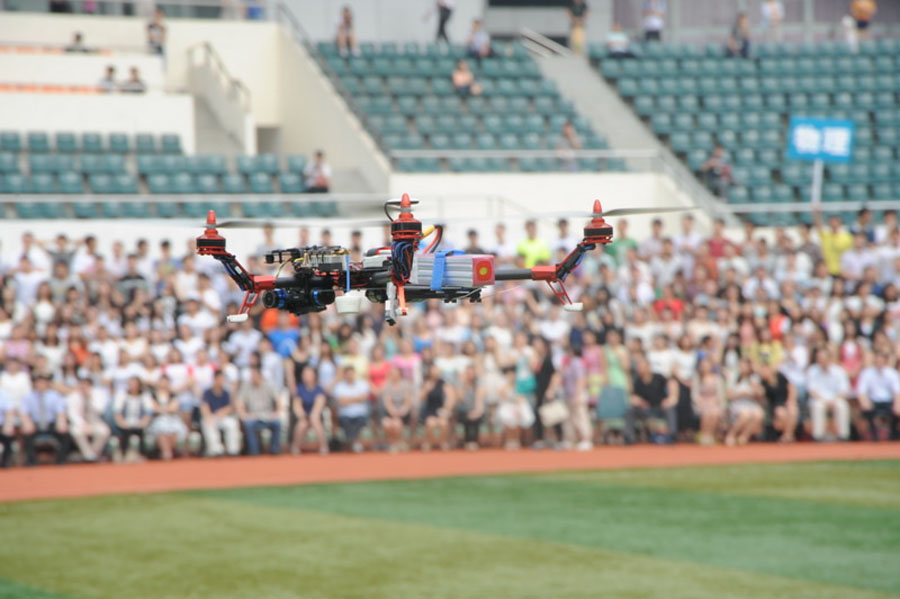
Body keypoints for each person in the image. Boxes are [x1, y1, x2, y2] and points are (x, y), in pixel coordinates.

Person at [626, 354, 678, 444]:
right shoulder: (637, 380)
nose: (640, 369)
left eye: (642, 366)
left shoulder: (659, 377)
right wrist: (639, 401)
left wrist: (670, 398)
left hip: (660, 408)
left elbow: (672, 383)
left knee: (670, 409)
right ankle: (629, 437)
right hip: (644, 409)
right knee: (630, 410)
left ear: (648, 367)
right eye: (639, 367)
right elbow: (632, 396)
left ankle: (672, 436)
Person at [806, 347, 850, 442]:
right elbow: (811, 391)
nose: (821, 361)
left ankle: (843, 436)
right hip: (819, 399)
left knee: (842, 405)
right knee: (818, 406)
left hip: (836, 399)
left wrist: (834, 400)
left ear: (829, 359)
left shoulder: (839, 371)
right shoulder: (812, 370)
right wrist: (824, 401)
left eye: (823, 359)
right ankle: (818, 436)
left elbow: (844, 390)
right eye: (819, 359)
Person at [236, 365, 283, 455]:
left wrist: (277, 413)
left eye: (254, 375)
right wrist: (243, 414)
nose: (252, 378)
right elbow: (239, 402)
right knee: (248, 424)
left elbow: (278, 400)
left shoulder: (269, 385)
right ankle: (254, 451)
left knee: (277, 423)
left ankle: (275, 449)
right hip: (252, 416)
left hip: (267, 415)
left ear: (260, 375)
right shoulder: (246, 386)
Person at [856, 352, 900, 441]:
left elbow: (897, 391)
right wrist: (865, 403)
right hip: (873, 401)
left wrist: (897, 405)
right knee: (867, 410)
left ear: (886, 361)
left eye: (881, 361)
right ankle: (874, 436)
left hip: (888, 402)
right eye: (877, 361)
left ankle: (893, 434)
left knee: (897, 410)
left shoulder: (892, 373)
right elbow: (861, 391)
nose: (879, 363)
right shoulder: (867, 373)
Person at [67, 377, 110, 462]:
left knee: (104, 431)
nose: (84, 387)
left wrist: (90, 398)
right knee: (76, 432)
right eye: (82, 385)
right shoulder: (74, 396)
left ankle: (91, 454)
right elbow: (72, 413)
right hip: (80, 424)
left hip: (95, 422)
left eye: (86, 385)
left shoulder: (97, 394)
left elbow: (100, 410)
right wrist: (82, 424)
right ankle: (89, 456)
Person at [724, 358, 765, 446]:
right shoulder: (733, 377)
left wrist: (755, 388)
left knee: (759, 414)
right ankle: (731, 435)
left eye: (745, 365)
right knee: (745, 414)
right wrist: (742, 395)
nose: (742, 367)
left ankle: (744, 436)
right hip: (737, 404)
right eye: (741, 365)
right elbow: (728, 395)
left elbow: (761, 394)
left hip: (751, 403)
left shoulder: (754, 379)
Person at [201, 371, 241, 456]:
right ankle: (215, 450)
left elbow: (230, 407)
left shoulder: (226, 393)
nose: (222, 381)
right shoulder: (207, 392)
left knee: (232, 424)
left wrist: (222, 412)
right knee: (208, 424)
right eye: (220, 379)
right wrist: (209, 417)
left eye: (223, 379)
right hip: (211, 416)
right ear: (215, 379)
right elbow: (204, 406)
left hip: (223, 417)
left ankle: (232, 450)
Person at [113, 376, 153, 462]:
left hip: (140, 423)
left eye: (135, 384)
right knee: (125, 433)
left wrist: (142, 423)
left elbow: (148, 413)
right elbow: (117, 412)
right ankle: (123, 454)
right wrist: (122, 423)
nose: (133, 386)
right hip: (125, 423)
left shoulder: (145, 396)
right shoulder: (122, 395)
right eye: (131, 384)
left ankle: (142, 454)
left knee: (142, 432)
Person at [147, 376, 187, 460]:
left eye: (165, 382)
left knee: (174, 429)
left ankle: (171, 450)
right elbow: (153, 408)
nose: (163, 384)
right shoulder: (152, 395)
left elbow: (174, 408)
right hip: (157, 419)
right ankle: (166, 451)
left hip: (172, 419)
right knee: (161, 428)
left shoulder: (173, 395)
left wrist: (161, 409)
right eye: (161, 382)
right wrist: (166, 409)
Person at [292, 365, 329, 455]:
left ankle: (324, 447)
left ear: (314, 376)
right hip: (304, 416)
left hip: (315, 416)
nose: (306, 376)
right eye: (304, 374)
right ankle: (295, 447)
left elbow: (319, 403)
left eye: (308, 374)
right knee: (302, 424)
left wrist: (313, 415)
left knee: (315, 421)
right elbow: (297, 404)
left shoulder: (319, 389)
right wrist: (302, 415)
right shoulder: (300, 389)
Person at [757, 362, 798, 443]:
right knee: (781, 413)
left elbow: (791, 388)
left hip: (786, 403)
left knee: (793, 411)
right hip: (774, 406)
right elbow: (762, 396)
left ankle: (787, 435)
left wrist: (790, 401)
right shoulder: (763, 383)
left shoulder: (780, 377)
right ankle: (788, 435)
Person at [496, 366, 535, 450]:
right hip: (506, 405)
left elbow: (521, 399)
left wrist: (519, 409)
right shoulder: (503, 385)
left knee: (520, 416)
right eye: (510, 375)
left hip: (518, 405)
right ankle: (509, 439)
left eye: (513, 375)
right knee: (506, 417)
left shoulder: (519, 385)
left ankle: (518, 439)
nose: (512, 377)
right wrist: (508, 384)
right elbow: (501, 395)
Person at [333, 365, 369, 452]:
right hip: (345, 414)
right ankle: (354, 442)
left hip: (360, 414)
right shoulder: (339, 386)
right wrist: (356, 398)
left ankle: (353, 442)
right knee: (345, 422)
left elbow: (363, 398)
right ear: (344, 375)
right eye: (348, 374)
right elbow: (342, 401)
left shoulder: (362, 384)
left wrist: (348, 399)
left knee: (360, 421)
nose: (350, 376)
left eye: (351, 373)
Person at [380, 366, 413, 452]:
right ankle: (392, 443)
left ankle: (399, 442)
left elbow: (407, 402)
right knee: (387, 424)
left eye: (395, 373)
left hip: (404, 413)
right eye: (391, 373)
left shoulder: (406, 385)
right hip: (390, 412)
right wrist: (393, 412)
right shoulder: (386, 386)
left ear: (400, 374)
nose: (393, 375)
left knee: (397, 424)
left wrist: (401, 411)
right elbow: (387, 402)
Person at [691, 358, 724, 445]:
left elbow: (720, 394)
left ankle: (710, 435)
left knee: (714, 413)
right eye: (703, 365)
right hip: (701, 404)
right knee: (706, 413)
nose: (704, 367)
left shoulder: (717, 378)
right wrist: (702, 401)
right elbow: (695, 395)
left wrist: (714, 401)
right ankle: (704, 435)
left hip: (714, 403)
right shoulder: (697, 378)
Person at [455, 365, 484, 450]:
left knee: (475, 419)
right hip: (463, 411)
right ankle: (467, 441)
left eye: (472, 373)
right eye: (468, 373)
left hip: (475, 410)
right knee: (466, 418)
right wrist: (464, 385)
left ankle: (474, 441)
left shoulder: (479, 384)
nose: (470, 375)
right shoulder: (460, 384)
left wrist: (477, 411)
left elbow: (479, 401)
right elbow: (460, 398)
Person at [0, 390, 15, 467]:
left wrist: (8, 426)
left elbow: (9, 412)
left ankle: (6, 462)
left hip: (2, 426)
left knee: (8, 437)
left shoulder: (4, 394)